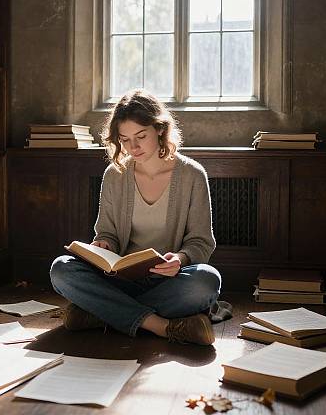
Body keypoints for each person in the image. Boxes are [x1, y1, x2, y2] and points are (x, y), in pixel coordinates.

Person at [50, 89, 221, 345]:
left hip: (169, 282)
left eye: (141, 136)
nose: (133, 147)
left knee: (206, 281)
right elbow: (106, 232)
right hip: (121, 281)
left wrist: (181, 259)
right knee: (61, 269)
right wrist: (104, 246)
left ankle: (101, 314)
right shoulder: (114, 175)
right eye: (125, 139)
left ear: (160, 129)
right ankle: (161, 326)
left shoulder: (192, 175)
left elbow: (201, 241)